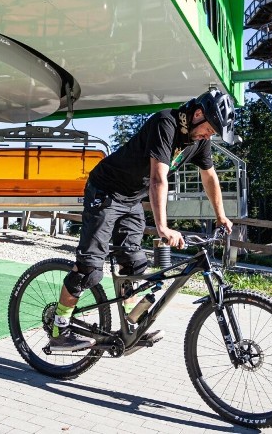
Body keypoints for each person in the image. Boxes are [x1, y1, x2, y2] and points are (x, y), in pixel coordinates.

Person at [49, 88, 236, 351]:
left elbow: (210, 177)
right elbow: (159, 178)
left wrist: (221, 216)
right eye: (210, 129)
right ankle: (59, 328)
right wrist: (162, 227)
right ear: (197, 114)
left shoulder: (199, 141)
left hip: (131, 198)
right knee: (90, 268)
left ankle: (130, 323)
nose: (210, 135)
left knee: (135, 264)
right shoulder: (165, 123)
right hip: (106, 190)